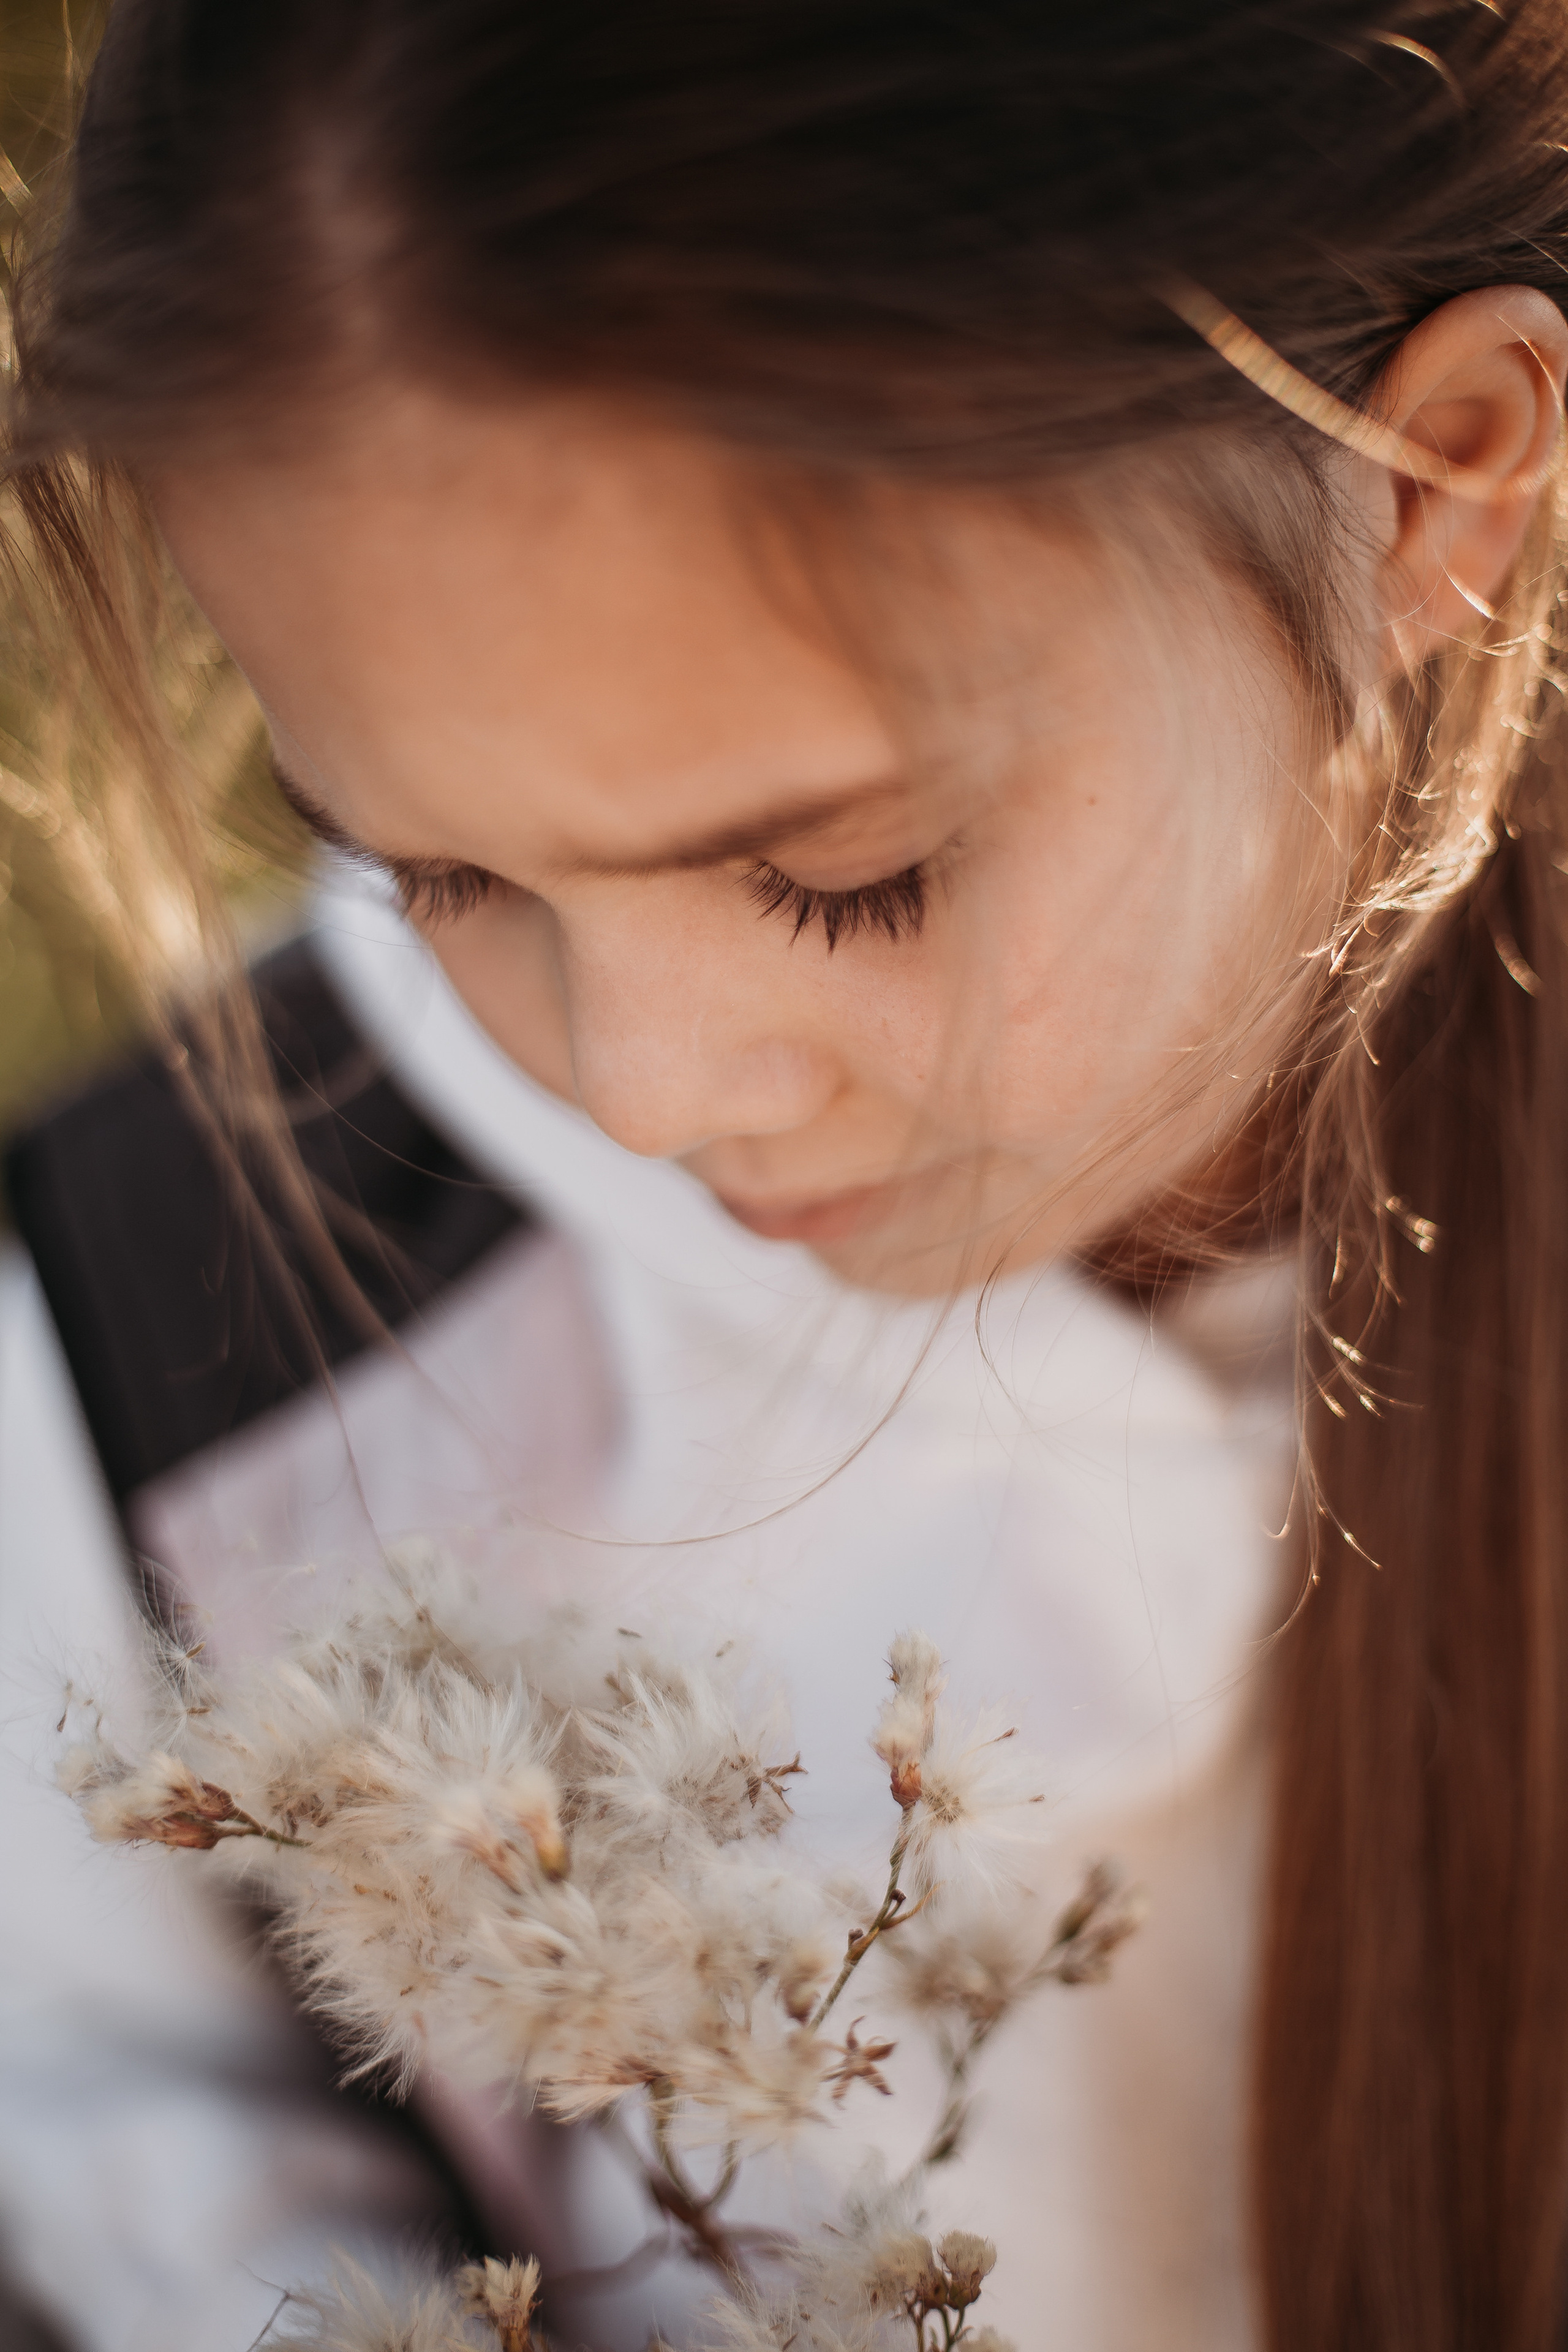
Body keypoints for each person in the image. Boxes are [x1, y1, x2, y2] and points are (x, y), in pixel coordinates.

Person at [2, 2, 1567, 2346]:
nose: (641, 1092)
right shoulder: (163, 1358)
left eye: (847, 879)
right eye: (442, 870)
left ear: (1434, 487)